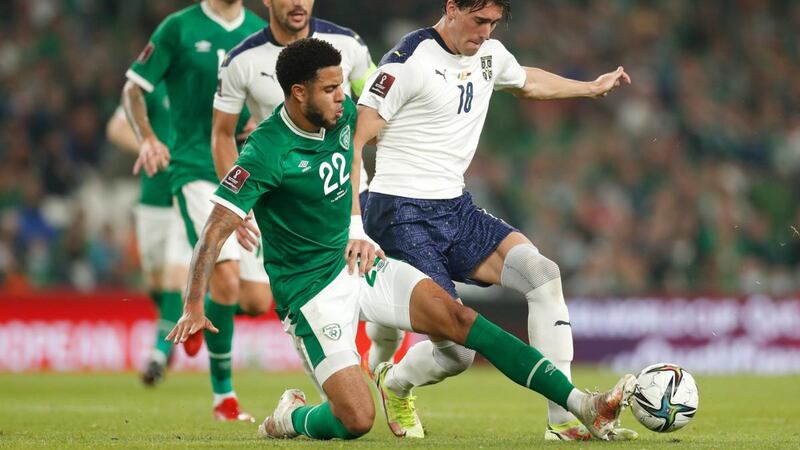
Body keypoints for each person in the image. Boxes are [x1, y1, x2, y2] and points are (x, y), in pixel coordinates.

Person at [166, 38, 635, 443]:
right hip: (309, 294)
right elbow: (213, 228)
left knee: (458, 318)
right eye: (330, 90)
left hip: (356, 261)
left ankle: (580, 405)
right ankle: (292, 416)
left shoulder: (340, 115)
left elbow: (351, 157)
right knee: (356, 419)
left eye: (341, 86)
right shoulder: (267, 151)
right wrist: (193, 303)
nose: (342, 99)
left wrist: (355, 228)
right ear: (297, 93)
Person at [351, 0, 635, 441]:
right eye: (479, 20)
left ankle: (562, 421)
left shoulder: (490, 55)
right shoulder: (407, 62)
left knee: (543, 276)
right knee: (459, 354)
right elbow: (356, 133)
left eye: (494, 23)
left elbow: (528, 81)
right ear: (451, 8)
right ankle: (396, 383)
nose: (486, 32)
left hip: (455, 207)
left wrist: (589, 88)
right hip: (399, 212)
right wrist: (354, 219)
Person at [211, 0, 395, 395]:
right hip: (287, 202)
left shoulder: (347, 45)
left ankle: (385, 374)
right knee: (257, 300)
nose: (298, 3)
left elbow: (376, 107)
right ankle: (346, 374)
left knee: (385, 294)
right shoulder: (241, 60)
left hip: (349, 195)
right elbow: (222, 134)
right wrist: (241, 206)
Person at [121, 0, 269, 421]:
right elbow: (133, 88)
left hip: (249, 170)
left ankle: (200, 307)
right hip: (194, 169)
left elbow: (279, 98)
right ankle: (224, 398)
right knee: (226, 281)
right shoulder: (178, 28)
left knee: (256, 300)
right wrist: (148, 137)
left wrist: (268, 121)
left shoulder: (260, 30)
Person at [106, 83, 191, 387]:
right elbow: (115, 128)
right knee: (156, 285)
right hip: (152, 200)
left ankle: (157, 354)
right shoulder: (150, 86)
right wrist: (147, 144)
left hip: (188, 195)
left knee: (174, 274)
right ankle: (174, 330)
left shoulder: (205, 77)